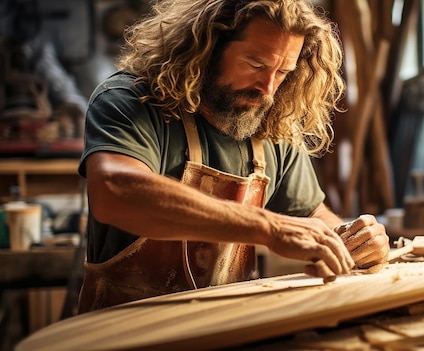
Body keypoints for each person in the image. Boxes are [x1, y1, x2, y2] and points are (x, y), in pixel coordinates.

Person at [77, 0, 390, 313]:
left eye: (282, 72)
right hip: (124, 330)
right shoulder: (130, 100)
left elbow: (312, 218)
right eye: (255, 65)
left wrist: (354, 241)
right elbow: (116, 192)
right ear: (208, 46)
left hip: (225, 327)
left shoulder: (270, 122)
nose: (267, 89)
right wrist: (269, 227)